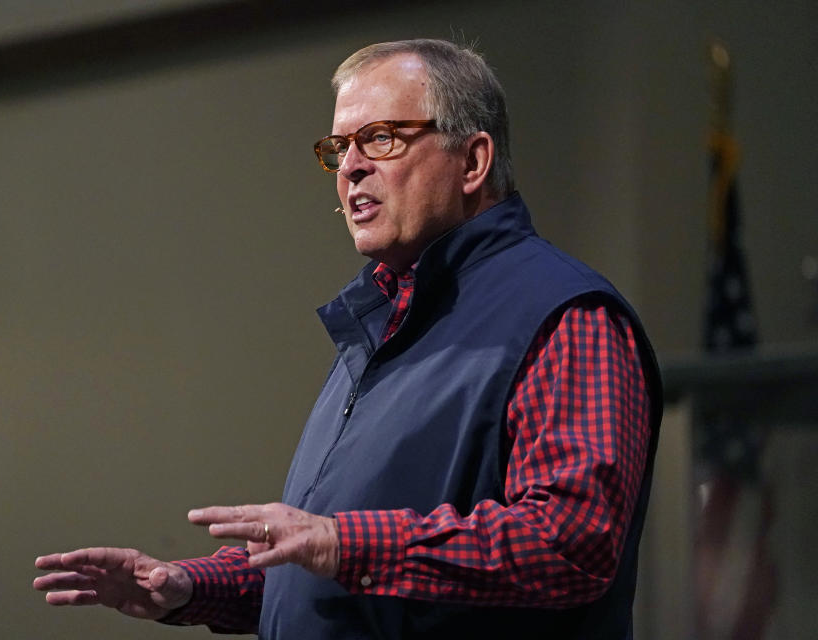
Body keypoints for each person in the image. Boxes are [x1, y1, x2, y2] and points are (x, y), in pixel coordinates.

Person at [34, 39, 662, 639]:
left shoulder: (564, 316)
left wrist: (342, 544)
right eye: (339, 148)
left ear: (473, 162)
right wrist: (187, 586)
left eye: (381, 138)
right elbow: (333, 570)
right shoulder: (388, 320)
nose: (351, 166)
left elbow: (571, 541)